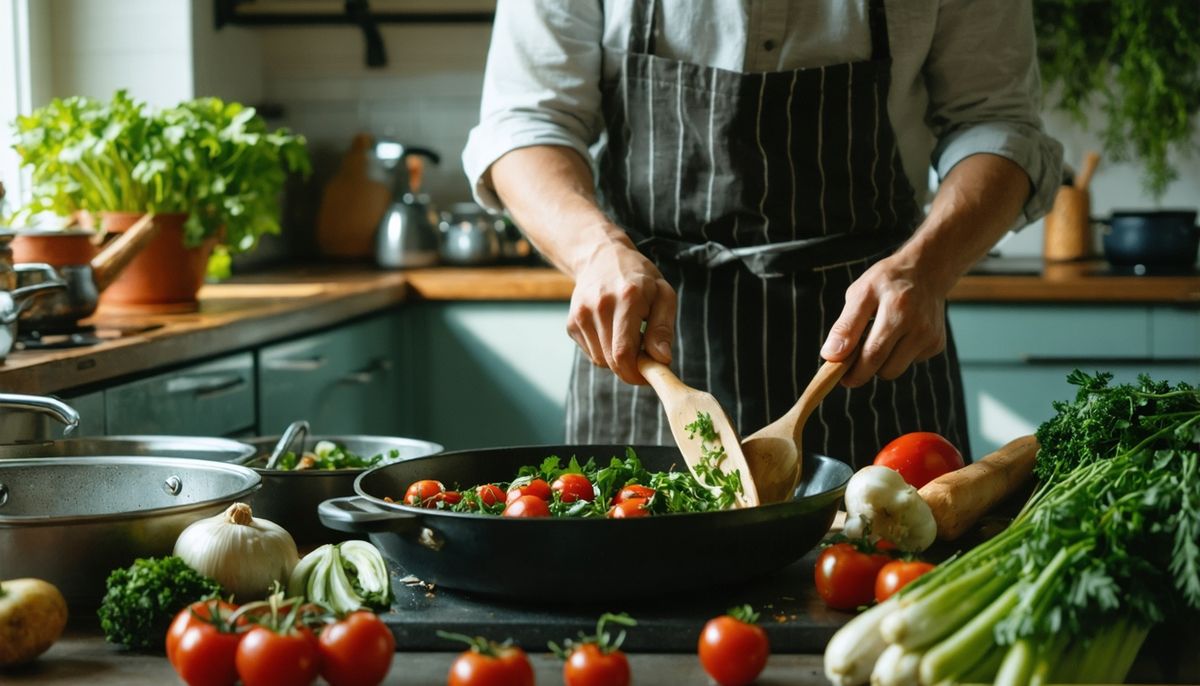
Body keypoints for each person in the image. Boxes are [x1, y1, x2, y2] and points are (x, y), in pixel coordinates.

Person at [463, 0, 1063, 466]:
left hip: (875, 346)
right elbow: (527, 121)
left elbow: (997, 124)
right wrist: (596, 252)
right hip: (649, 345)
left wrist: (928, 266)